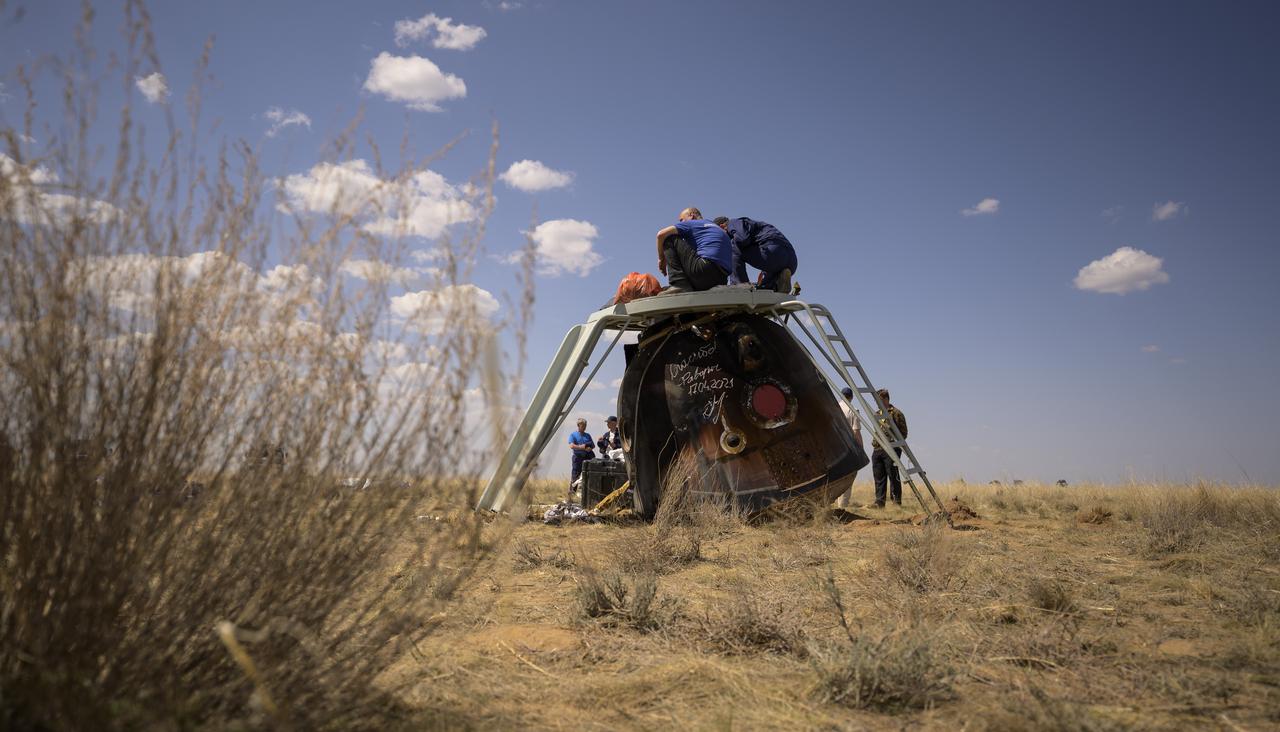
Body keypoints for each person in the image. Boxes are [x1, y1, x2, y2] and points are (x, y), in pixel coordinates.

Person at [653, 207, 733, 292]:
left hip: (704, 270)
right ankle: (687, 284)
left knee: (669, 237)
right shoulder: (714, 228)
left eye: (681, 220)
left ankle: (679, 284)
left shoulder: (693, 223)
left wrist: (661, 259)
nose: (680, 223)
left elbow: (660, 235)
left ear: (691, 215)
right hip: (722, 279)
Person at [713, 216, 798, 293]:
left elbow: (742, 239)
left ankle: (739, 287)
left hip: (773, 254)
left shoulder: (733, 223)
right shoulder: (756, 226)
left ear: (722, 226)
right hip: (791, 261)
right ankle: (778, 284)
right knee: (764, 289)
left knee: (732, 246)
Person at [870, 388, 908, 508]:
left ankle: (896, 502)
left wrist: (893, 442)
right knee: (879, 477)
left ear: (886, 399)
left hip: (891, 449)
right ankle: (879, 502)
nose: (877, 402)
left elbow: (903, 433)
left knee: (893, 475)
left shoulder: (896, 413)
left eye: (879, 400)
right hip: (877, 449)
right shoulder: (877, 414)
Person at [835, 387, 864, 509]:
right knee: (848, 476)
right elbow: (856, 431)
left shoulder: (834, 407)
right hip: (848, 448)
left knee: (836, 477)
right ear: (851, 397)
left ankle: (834, 504)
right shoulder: (853, 410)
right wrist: (861, 449)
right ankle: (842, 507)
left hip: (834, 447)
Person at [567, 418, 595, 498]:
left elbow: (593, 445)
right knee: (575, 475)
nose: (584, 427)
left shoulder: (588, 435)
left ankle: (587, 495)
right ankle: (571, 495)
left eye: (585, 425)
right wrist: (581, 447)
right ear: (578, 425)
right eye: (582, 425)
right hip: (578, 458)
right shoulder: (573, 435)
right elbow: (571, 445)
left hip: (587, 457)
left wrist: (589, 448)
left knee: (588, 475)